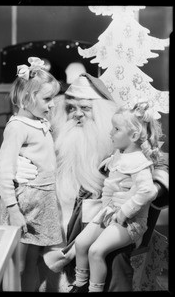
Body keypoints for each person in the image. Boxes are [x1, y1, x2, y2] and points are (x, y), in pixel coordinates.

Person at [0, 74, 169, 292]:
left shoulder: (117, 140)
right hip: (47, 229)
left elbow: (160, 164)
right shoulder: (50, 132)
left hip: (93, 227)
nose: (76, 114)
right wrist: (13, 171)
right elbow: (6, 162)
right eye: (70, 108)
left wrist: (152, 189)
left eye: (84, 108)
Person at [68, 101, 163, 293]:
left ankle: (95, 288)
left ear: (134, 135)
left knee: (96, 251)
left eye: (116, 129)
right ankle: (80, 283)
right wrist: (105, 208)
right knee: (81, 242)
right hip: (109, 213)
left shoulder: (139, 162)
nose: (111, 133)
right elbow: (109, 186)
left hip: (130, 221)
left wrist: (124, 211)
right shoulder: (118, 156)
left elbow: (149, 191)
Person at [0, 56, 63, 291]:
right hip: (25, 203)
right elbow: (4, 170)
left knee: (33, 259)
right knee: (18, 263)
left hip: (43, 199)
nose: (53, 104)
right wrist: (13, 209)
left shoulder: (40, 121)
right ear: (26, 98)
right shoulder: (17, 127)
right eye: (47, 98)